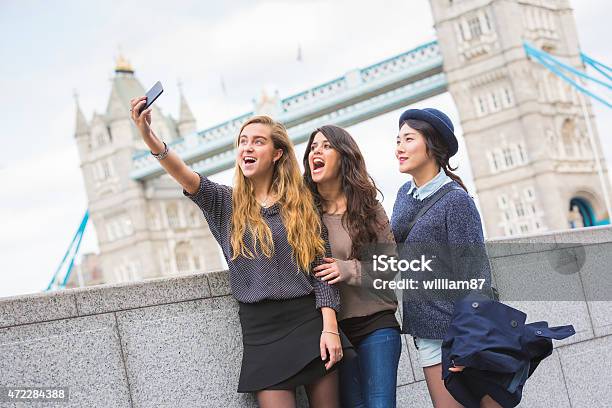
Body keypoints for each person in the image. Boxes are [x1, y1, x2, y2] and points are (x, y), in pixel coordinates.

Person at [130, 97, 353, 408]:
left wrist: (330, 329)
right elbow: (181, 172)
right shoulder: (224, 204)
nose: (246, 148)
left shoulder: (303, 205)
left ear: (277, 154)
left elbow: (322, 272)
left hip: (310, 323)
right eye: (242, 142)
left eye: (257, 142)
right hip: (261, 331)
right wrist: (148, 135)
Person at [390, 108, 497, 408]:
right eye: (397, 139)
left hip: (459, 335)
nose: (398, 147)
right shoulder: (403, 195)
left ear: (433, 144)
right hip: (426, 333)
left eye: (408, 138)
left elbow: (476, 275)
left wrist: (469, 343)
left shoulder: (456, 201)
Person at [303, 125, 401, 408]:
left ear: (344, 156)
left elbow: (390, 265)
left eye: (325, 146)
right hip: (333, 334)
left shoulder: (369, 208)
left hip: (376, 325)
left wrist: (347, 270)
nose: (315, 152)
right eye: (312, 147)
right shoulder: (303, 215)